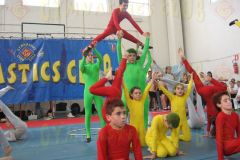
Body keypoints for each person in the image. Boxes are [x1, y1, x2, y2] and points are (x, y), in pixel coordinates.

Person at [178, 48, 227, 137]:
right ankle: (184, 60)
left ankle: (184, 60)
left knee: (195, 74)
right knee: (195, 74)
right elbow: (209, 120)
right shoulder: (215, 114)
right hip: (204, 92)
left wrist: (212, 79)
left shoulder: (218, 113)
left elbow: (224, 88)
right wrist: (208, 132)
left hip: (208, 91)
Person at [85, 0, 151, 51]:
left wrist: (142, 32)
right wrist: (119, 30)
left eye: (127, 6)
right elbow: (115, 21)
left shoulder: (126, 14)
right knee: (102, 35)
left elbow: (134, 23)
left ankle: (142, 45)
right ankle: (89, 46)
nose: (126, 7)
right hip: (111, 27)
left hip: (117, 28)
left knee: (129, 36)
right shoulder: (115, 11)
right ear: (120, 5)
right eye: (124, 5)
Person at [90, 31, 127, 123]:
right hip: (110, 111)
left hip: (110, 112)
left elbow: (92, 89)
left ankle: (107, 76)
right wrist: (120, 40)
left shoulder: (113, 87)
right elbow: (124, 57)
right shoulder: (114, 87)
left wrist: (106, 78)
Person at [118, 32, 151, 129]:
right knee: (122, 115)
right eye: (130, 55)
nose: (132, 57)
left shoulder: (139, 64)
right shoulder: (123, 65)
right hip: (126, 96)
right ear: (127, 57)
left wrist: (147, 39)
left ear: (136, 56)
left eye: (134, 55)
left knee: (143, 114)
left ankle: (144, 132)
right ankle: (122, 133)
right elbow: (119, 53)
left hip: (140, 95)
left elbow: (144, 53)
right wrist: (119, 40)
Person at [123, 72, 157, 146]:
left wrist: (152, 79)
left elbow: (146, 89)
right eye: (136, 93)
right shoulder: (130, 102)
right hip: (133, 127)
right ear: (131, 94)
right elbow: (125, 91)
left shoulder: (142, 100)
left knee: (143, 144)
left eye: (139, 93)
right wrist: (122, 81)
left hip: (141, 127)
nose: (138, 94)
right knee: (132, 146)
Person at [80, 45, 105, 143]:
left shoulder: (96, 65)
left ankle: (103, 132)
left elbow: (100, 58)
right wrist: (84, 55)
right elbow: (81, 67)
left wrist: (94, 49)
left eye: (91, 55)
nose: (91, 56)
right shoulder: (84, 67)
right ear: (86, 57)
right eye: (89, 55)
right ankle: (88, 134)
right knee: (88, 114)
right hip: (88, 92)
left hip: (97, 91)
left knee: (101, 113)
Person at [158, 74, 193, 141]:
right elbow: (165, 91)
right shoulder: (172, 97)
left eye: (182, 89)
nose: (180, 90)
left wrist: (191, 79)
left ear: (183, 91)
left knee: (187, 138)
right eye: (178, 89)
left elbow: (189, 88)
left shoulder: (184, 97)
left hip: (184, 121)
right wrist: (158, 83)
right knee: (174, 139)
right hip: (176, 121)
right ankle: (173, 137)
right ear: (174, 90)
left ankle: (178, 137)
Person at [213, 91, 240, 160]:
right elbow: (219, 138)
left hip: (233, 142)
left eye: (229, 99)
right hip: (226, 146)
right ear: (219, 105)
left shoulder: (235, 115)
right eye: (225, 101)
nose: (229, 102)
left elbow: (239, 132)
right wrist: (220, 158)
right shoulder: (220, 116)